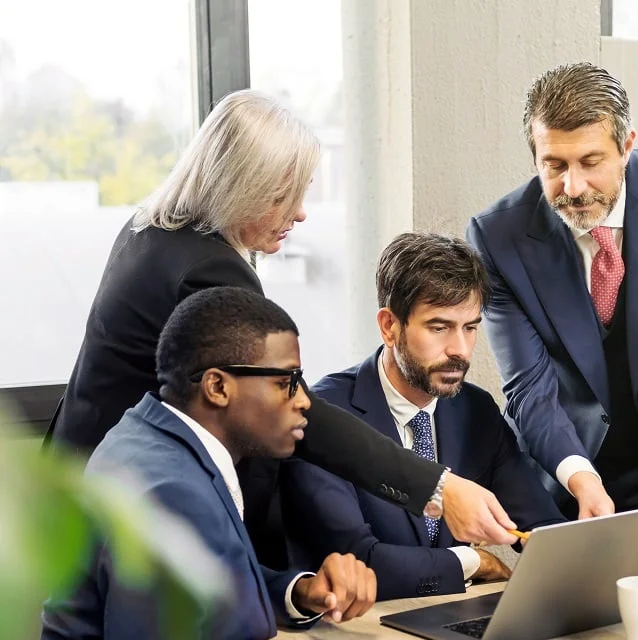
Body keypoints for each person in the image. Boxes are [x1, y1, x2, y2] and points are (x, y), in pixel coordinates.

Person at [44, 89, 519, 565]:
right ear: (239, 187)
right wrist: (436, 485)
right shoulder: (210, 269)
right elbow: (288, 406)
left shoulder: (149, 232)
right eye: (282, 198)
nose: (299, 213)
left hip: (83, 479)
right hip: (131, 511)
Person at [466, 62, 638, 568]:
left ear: (628, 145)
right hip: (570, 480)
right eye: (553, 165)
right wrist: (580, 477)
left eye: (590, 161)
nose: (572, 187)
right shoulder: (497, 237)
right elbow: (529, 388)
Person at [33, 287, 379, 640]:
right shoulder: (172, 494)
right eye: (287, 381)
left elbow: (206, 578)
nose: (303, 401)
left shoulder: (144, 433)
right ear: (217, 387)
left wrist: (300, 592)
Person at [280, 233, 565, 600]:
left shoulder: (475, 410)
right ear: (389, 326)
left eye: (470, 328)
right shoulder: (323, 418)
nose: (459, 350)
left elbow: (541, 526)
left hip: (449, 624)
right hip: (358, 635)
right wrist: (472, 561)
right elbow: (358, 561)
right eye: (439, 327)